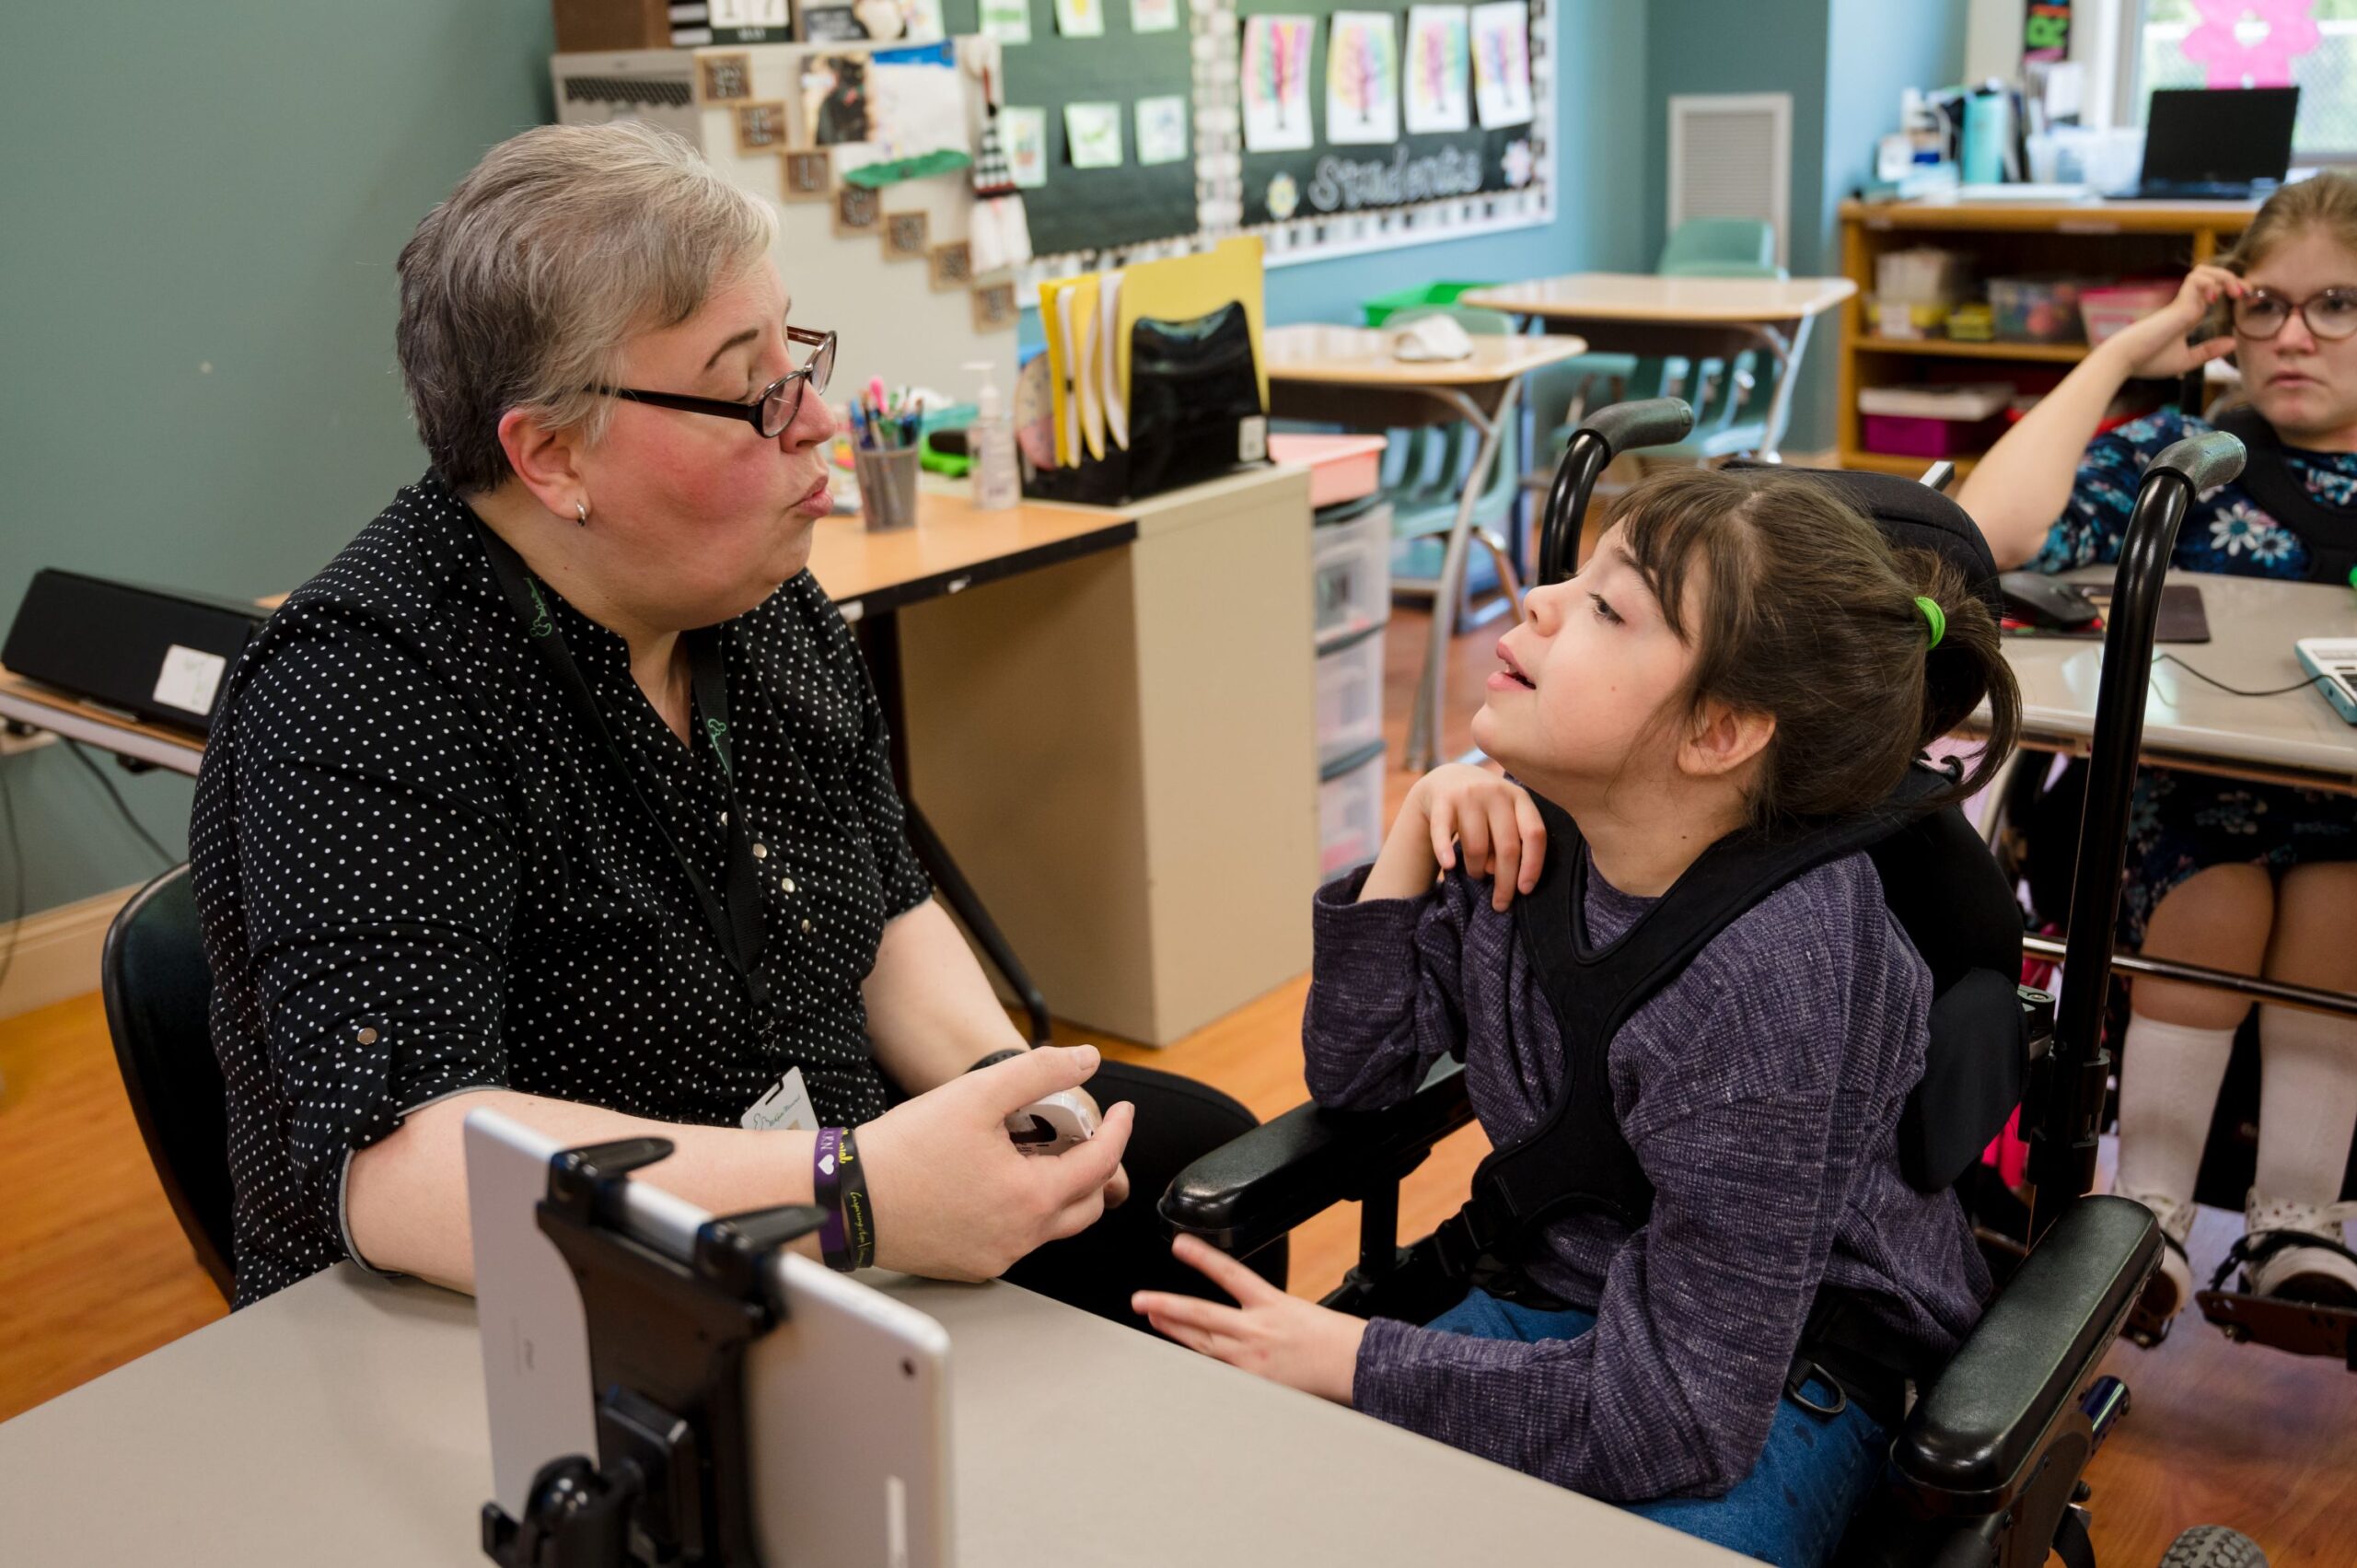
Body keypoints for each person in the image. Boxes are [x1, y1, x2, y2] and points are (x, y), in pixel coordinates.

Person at [189, 121, 1275, 1319]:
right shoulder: (366, 683)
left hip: (812, 1193)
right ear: (552, 454)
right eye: (746, 390)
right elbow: (407, 1174)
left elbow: (889, 909)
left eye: (793, 357)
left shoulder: (762, 600)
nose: (813, 419)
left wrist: (1000, 1083)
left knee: (1191, 1178)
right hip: (536, 1306)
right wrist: (853, 1193)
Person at [1135, 467, 2018, 1565]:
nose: (1541, 599)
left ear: (1720, 729)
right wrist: (1413, 830)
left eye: (1608, 605)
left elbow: (1687, 1416)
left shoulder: (1777, 969)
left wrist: (1351, 1360)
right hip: (1563, 1309)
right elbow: (1358, 1078)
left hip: (1779, 1377)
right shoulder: (1531, 841)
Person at [1957, 172, 2357, 1330]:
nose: (2293, 334)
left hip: (2343, 801)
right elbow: (1996, 529)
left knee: (2340, 907)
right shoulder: (2187, 452)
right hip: (2187, 797)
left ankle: (2296, 1222)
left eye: (2335, 304)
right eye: (2265, 305)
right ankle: (2148, 1216)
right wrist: (2133, 349)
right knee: (2213, 902)